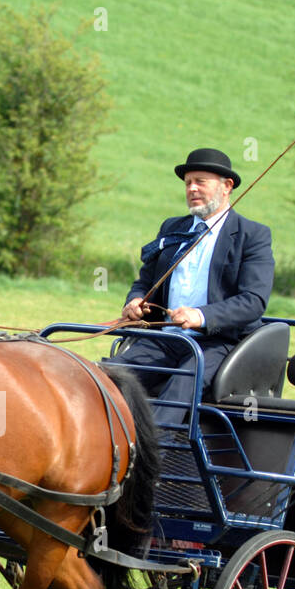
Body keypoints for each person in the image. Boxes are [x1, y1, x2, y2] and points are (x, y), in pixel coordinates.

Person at [112, 147, 274, 431]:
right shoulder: (173, 229)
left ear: (227, 186)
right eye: (188, 183)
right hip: (166, 338)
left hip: (218, 343)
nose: (192, 189)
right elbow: (145, 281)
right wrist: (136, 300)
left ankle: (151, 464)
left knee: (179, 390)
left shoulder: (252, 235)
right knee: (108, 377)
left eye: (201, 181)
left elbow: (254, 301)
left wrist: (201, 316)